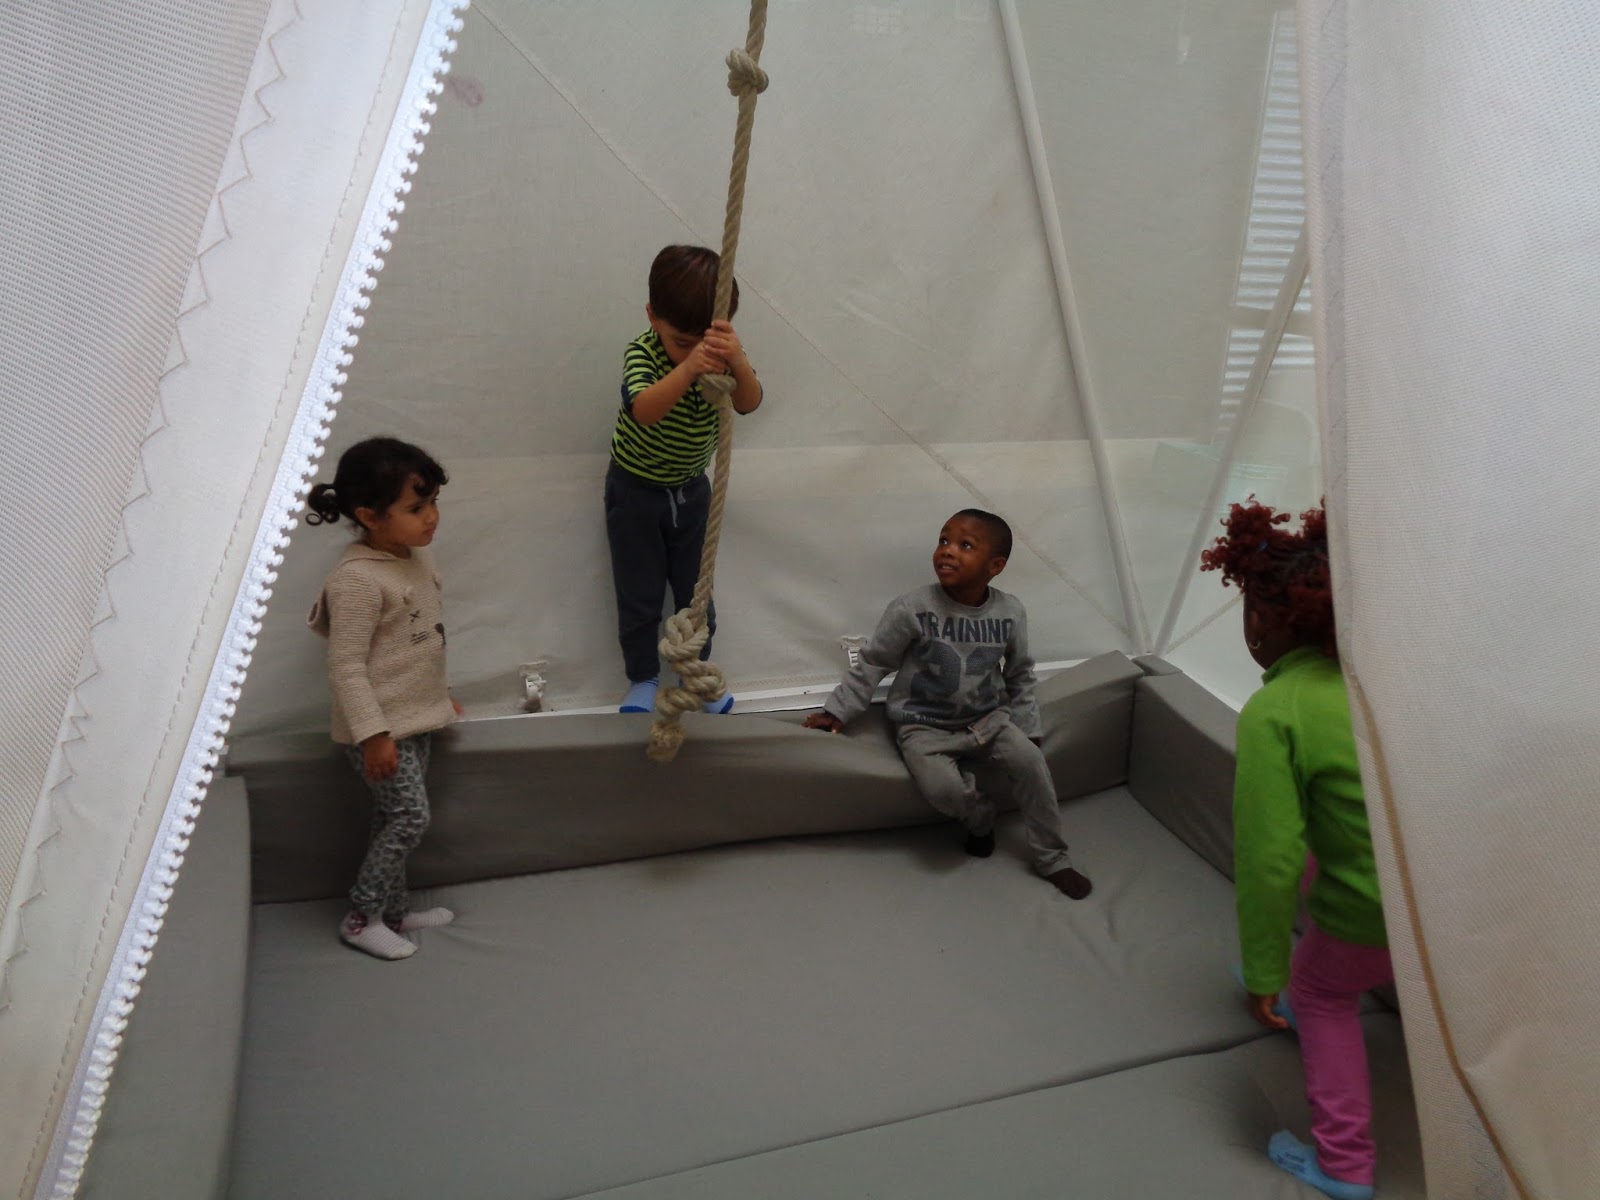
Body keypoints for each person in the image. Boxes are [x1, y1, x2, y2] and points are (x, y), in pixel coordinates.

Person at [1201, 499, 1389, 1200]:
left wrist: (1264, 971)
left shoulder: (1275, 712)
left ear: (1263, 622)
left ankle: (1345, 1164)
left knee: (1321, 993)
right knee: (1322, 849)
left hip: (1369, 911)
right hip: (1443, 901)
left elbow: (1267, 858)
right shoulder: (1380, 685)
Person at [802, 510, 1092, 900]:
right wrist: (836, 711)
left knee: (1033, 765)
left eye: (965, 545)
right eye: (943, 540)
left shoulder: (1010, 612)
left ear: (995, 566)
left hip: (989, 720)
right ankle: (981, 819)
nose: (948, 551)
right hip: (923, 726)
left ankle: (1053, 859)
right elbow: (874, 662)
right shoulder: (911, 608)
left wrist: (1029, 728)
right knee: (943, 790)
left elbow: (1020, 674)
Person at [306, 436, 460, 961]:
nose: (431, 516)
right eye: (416, 508)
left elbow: (417, 645)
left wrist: (441, 697)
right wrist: (373, 735)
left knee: (391, 817)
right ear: (369, 516)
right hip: (379, 729)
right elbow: (346, 667)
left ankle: (392, 913)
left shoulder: (415, 559)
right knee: (409, 817)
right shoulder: (356, 581)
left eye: (433, 501)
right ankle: (362, 915)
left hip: (414, 719)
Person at [606, 244, 763, 714]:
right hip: (634, 492)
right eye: (682, 342)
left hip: (692, 493)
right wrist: (691, 367)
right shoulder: (644, 352)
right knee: (640, 596)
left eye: (703, 341)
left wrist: (735, 360)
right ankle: (643, 678)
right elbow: (644, 410)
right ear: (653, 317)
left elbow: (749, 402)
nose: (694, 351)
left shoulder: (721, 353)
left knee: (699, 597)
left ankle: (694, 676)